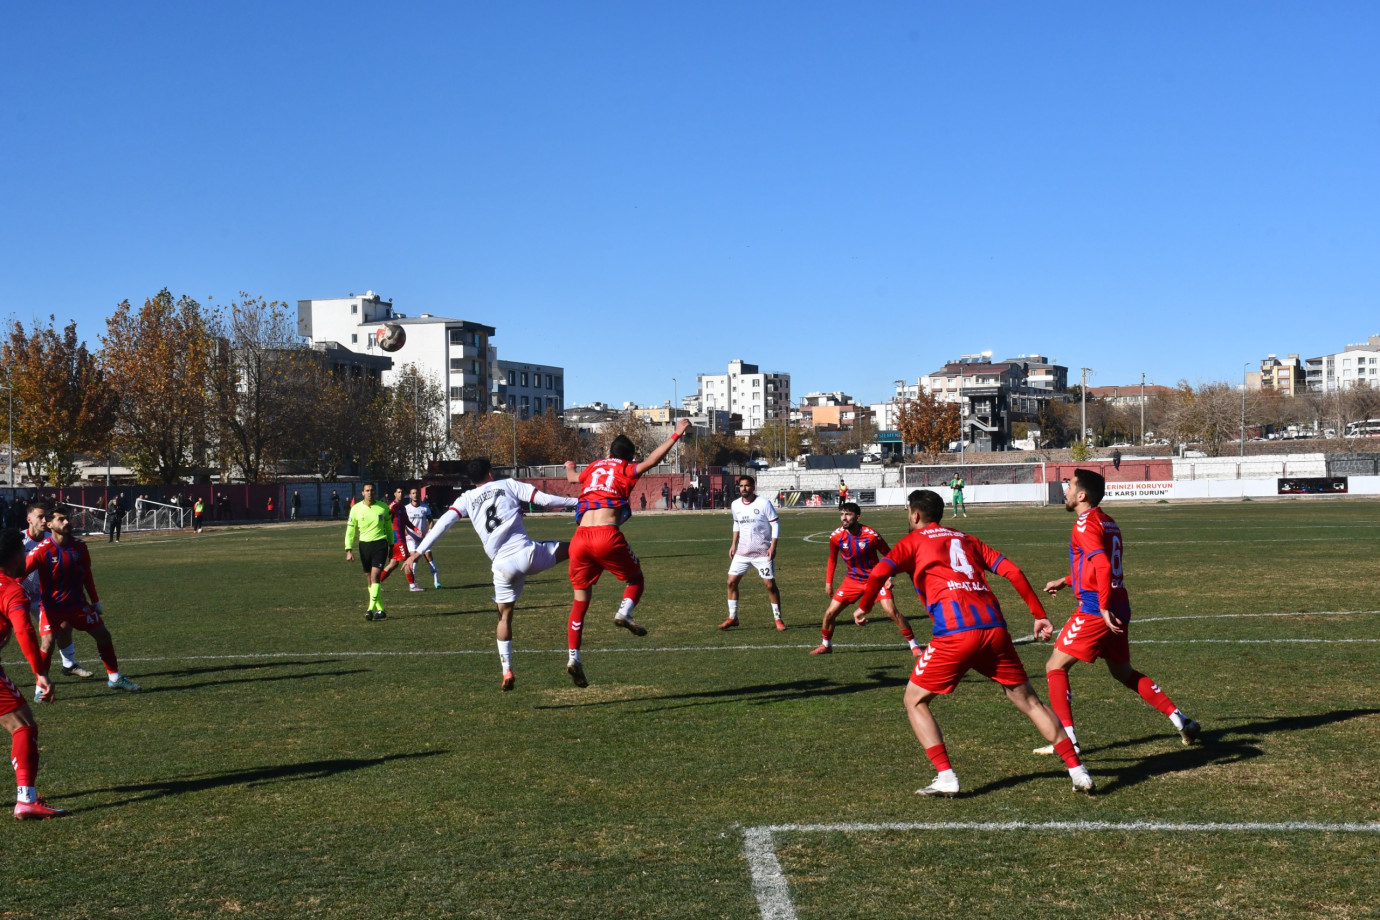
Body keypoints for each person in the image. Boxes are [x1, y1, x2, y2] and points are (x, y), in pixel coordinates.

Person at [855, 489, 1094, 796]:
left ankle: (946, 777)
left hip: (955, 633)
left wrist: (866, 605)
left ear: (915, 515)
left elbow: (878, 571)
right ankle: (1078, 770)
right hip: (994, 629)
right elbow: (1013, 571)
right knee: (1030, 701)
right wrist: (1038, 614)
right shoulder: (967, 539)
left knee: (914, 700)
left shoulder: (912, 541)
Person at [1036, 468, 1199, 755]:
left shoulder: (1084, 525)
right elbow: (1099, 567)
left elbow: (1102, 566)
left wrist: (1102, 607)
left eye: (1070, 486)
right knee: (1124, 672)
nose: (1066, 491)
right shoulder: (1108, 522)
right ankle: (1181, 720)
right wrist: (1066, 580)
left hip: (1097, 608)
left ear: (1082, 495)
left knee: (1055, 667)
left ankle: (1068, 741)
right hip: (1118, 602)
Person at [409, 459, 578, 691]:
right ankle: (602, 564)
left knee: (505, 618)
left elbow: (443, 524)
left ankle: (506, 669)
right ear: (490, 473)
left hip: (501, 567)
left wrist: (418, 552)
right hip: (527, 554)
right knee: (576, 547)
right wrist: (579, 502)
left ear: (470, 480)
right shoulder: (508, 484)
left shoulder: (466, 498)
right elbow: (546, 500)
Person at [562, 418, 690, 687]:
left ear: (609, 452)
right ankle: (624, 612)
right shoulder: (626, 469)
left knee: (579, 603)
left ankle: (574, 658)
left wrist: (570, 466)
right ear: (629, 457)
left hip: (579, 539)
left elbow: (573, 478)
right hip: (606, 535)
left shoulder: (594, 466)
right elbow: (653, 461)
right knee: (636, 579)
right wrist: (676, 433)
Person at [25, 504, 140, 694]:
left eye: (67, 518)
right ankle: (40, 687)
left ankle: (114, 678)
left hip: (78, 605)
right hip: (52, 607)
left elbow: (86, 574)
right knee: (48, 642)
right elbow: (20, 573)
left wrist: (95, 600)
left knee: (103, 635)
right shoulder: (41, 550)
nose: (67, 522)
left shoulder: (80, 547)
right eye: (61, 519)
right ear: (50, 524)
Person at [0, 528, 68, 819]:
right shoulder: (11, 590)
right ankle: (26, 798)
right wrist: (40, 673)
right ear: (16, 556)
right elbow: (25, 631)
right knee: (23, 725)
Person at [812, 502, 921, 656]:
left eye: (848, 514)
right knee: (830, 613)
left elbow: (890, 555)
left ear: (858, 517)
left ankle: (914, 646)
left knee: (891, 611)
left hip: (876, 579)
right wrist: (828, 582)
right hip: (853, 580)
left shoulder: (871, 535)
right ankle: (826, 645)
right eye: (842, 514)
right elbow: (832, 559)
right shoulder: (836, 537)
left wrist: (889, 576)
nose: (844, 518)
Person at [21, 502, 90, 680]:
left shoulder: (50, 538)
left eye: (46, 517)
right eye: (40, 517)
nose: (45, 520)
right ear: (29, 519)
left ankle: (69, 664)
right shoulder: (18, 541)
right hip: (18, 596)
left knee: (64, 627)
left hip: (43, 597)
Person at [719, 475, 785, 631]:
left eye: (747, 485)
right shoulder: (735, 505)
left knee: (770, 585)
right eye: (741, 486)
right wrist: (733, 544)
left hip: (762, 552)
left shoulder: (763, 503)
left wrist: (773, 546)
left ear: (753, 487)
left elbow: (775, 525)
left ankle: (778, 619)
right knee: (731, 582)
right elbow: (736, 524)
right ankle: (733, 617)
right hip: (742, 552)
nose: (744, 488)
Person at [344, 484, 394, 621]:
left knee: (375, 576)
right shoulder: (355, 509)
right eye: (367, 491)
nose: (370, 493)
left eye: (372, 490)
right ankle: (381, 610)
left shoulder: (383, 508)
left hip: (380, 544)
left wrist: (392, 546)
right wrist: (348, 549)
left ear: (375, 492)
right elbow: (350, 530)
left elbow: (389, 528)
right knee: (369, 578)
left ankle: (370, 609)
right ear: (362, 493)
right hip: (364, 546)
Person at [403, 488, 441, 589]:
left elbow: (431, 521)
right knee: (414, 558)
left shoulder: (425, 507)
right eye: (413, 493)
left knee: (429, 558)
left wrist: (429, 531)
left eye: (417, 493)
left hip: (424, 538)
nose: (415, 495)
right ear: (410, 496)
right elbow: (402, 522)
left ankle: (436, 581)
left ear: (419, 495)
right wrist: (404, 530)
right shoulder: (406, 508)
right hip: (411, 538)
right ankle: (413, 583)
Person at [387, 487, 421, 592]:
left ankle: (376, 583)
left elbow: (406, 521)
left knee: (393, 563)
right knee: (407, 560)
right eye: (398, 492)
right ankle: (412, 585)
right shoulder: (392, 506)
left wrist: (415, 529)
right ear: (394, 494)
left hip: (400, 539)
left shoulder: (402, 507)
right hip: (397, 539)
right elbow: (385, 519)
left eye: (402, 492)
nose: (401, 494)